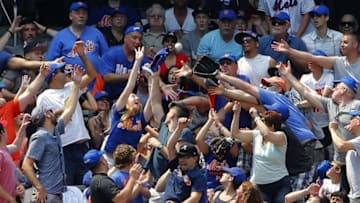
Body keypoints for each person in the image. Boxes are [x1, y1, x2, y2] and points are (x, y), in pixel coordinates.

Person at [278, 61, 360, 194]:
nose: (332, 89)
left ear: (344, 90)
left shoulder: (357, 105)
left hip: (357, 159)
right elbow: (305, 91)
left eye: (336, 86)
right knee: (345, 196)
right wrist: (288, 75)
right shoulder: (330, 105)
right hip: (340, 162)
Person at [36, 41, 97, 185]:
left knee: (87, 184)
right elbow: (41, 122)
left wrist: (82, 56)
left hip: (83, 144)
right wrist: (58, 114)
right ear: (53, 76)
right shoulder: (44, 96)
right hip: (64, 147)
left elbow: (92, 74)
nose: (66, 73)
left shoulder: (72, 86)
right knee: (68, 188)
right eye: (62, 71)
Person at [22, 65, 81, 203]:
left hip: (56, 193)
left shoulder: (55, 131)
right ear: (47, 116)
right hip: (46, 193)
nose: (53, 112)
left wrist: (76, 84)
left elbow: (69, 109)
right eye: (50, 111)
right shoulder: (40, 136)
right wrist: (39, 188)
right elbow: (26, 164)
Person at [102, 47, 155, 166]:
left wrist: (152, 78)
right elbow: (129, 86)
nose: (137, 98)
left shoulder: (141, 118)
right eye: (133, 97)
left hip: (128, 161)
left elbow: (152, 101)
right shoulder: (120, 111)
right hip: (110, 158)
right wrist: (137, 61)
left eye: (138, 98)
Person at [231, 102, 292, 203]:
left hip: (279, 183)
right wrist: (236, 114)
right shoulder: (256, 135)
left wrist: (256, 117)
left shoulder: (281, 136)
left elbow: (267, 134)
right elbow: (235, 133)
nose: (259, 125)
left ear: (272, 126)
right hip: (259, 185)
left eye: (264, 122)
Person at [272, 32, 360, 98]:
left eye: (345, 42)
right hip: (341, 109)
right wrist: (290, 51)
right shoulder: (337, 61)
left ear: (355, 44)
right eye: (341, 42)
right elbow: (311, 57)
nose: (341, 45)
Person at [46, 1, 109, 90]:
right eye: (77, 13)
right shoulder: (60, 36)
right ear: (70, 16)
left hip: (95, 84)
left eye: (84, 13)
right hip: (69, 85)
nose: (81, 15)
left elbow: (107, 58)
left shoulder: (96, 33)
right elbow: (51, 63)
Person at [297, 49, 334, 160]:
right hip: (311, 123)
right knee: (316, 155)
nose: (309, 61)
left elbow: (323, 98)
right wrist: (305, 103)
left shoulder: (329, 77)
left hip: (327, 121)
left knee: (330, 153)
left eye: (312, 59)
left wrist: (305, 103)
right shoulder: (304, 78)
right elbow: (305, 100)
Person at [100, 25, 150, 100]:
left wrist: (162, 86)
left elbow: (153, 74)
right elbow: (107, 77)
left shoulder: (142, 58)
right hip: (109, 98)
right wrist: (131, 75)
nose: (137, 42)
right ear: (125, 38)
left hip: (132, 99)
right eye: (134, 38)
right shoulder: (112, 53)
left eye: (140, 39)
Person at [258, 11, 309, 78]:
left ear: (288, 25)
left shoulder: (298, 42)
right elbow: (256, 64)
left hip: (292, 83)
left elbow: (305, 69)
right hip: (268, 82)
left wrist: (289, 53)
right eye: (274, 23)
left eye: (280, 23)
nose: (276, 25)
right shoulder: (263, 41)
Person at [329, 109, 360, 202]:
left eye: (352, 118)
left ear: (358, 121)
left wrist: (332, 129)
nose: (349, 121)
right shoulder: (356, 141)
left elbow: (341, 145)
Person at [0, 119, 27, 203]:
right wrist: (10, 199)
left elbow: (16, 145)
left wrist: (18, 185)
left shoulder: (4, 150)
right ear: (2, 133)